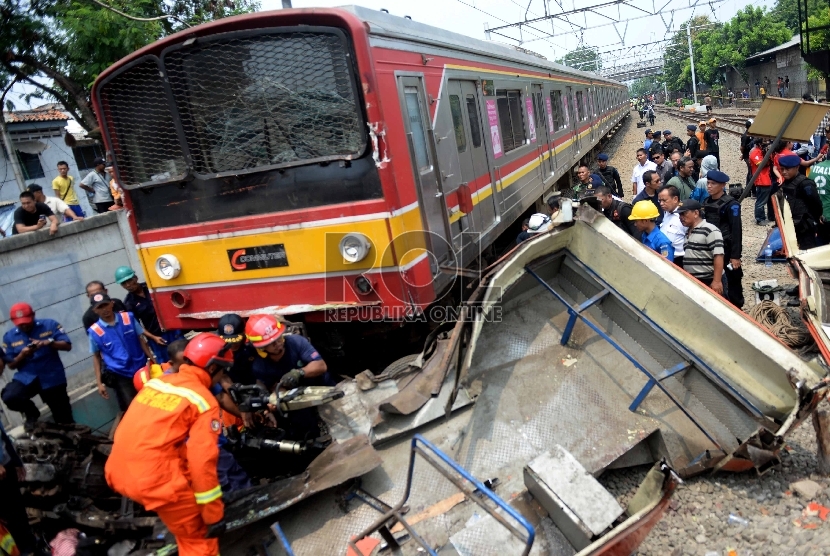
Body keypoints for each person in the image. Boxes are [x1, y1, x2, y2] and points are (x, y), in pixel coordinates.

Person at [105, 333, 231, 556]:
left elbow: (158, 437)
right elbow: (202, 461)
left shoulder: (159, 383)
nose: (223, 376)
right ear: (212, 368)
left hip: (118, 471)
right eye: (223, 370)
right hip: (154, 481)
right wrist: (212, 514)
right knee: (198, 539)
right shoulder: (203, 401)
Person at [1, 303, 74, 428]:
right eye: (20, 323)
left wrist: (48, 342)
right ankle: (31, 413)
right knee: (10, 396)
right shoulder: (9, 336)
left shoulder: (49, 325)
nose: (24, 325)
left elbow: (67, 345)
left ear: (33, 315)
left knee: (64, 420)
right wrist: (22, 355)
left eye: (26, 321)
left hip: (52, 377)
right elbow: (11, 365)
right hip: (27, 377)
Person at [88, 293, 155, 412]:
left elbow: (140, 339)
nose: (104, 309)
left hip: (141, 367)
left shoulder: (128, 317)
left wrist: (152, 360)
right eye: (100, 307)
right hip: (121, 373)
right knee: (133, 406)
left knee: (152, 398)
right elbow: (96, 357)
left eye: (106, 305)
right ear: (95, 310)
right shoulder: (94, 331)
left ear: (112, 304)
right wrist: (99, 383)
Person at [246, 314, 334, 392]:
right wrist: (279, 397)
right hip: (298, 399)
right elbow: (272, 386)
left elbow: (321, 366)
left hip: (324, 388)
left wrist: (299, 373)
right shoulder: (259, 366)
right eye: (271, 343)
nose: (277, 344)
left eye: (278, 338)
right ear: (261, 347)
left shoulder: (296, 342)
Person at [116, 266, 183, 363]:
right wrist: (153, 337)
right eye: (124, 283)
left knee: (184, 355)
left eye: (129, 281)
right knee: (167, 364)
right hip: (157, 338)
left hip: (173, 330)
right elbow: (136, 325)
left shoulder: (151, 287)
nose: (128, 285)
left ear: (135, 278)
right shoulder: (129, 303)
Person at [703, 170, 744, 308]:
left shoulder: (731, 205)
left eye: (713, 183)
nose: (709, 186)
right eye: (708, 183)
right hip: (711, 249)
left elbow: (736, 230)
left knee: (733, 281)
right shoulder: (706, 202)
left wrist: (735, 256)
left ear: (722, 185)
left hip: (727, 248)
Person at [0, 419, 38, 556]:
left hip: (6, 464)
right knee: (9, 517)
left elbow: (2, 435)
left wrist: (15, 460)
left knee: (17, 511)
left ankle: (30, 547)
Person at [679, 200, 726, 297]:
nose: (681, 217)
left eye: (684, 213)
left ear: (696, 213)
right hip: (694, 280)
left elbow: (718, 255)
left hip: (709, 279)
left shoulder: (710, 230)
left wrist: (716, 281)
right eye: (680, 214)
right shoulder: (688, 232)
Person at [779, 154, 822, 250]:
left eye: (787, 169)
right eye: (782, 169)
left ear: (797, 168)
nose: (784, 172)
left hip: (804, 227)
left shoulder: (805, 184)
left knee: (808, 252)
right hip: (790, 226)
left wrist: (814, 220)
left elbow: (816, 204)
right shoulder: (786, 183)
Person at [218, 314, 257, 386]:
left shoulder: (252, 349)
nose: (232, 344)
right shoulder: (218, 352)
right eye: (228, 342)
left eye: (236, 341)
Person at [658, 186, 687, 267]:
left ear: (675, 199)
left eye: (664, 200)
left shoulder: (684, 215)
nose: (661, 204)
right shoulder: (666, 212)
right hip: (665, 257)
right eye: (659, 200)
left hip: (679, 260)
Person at [749, 140, 775, 225]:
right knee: (761, 201)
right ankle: (759, 219)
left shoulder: (761, 151)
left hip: (766, 179)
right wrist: (767, 154)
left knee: (764, 200)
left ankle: (766, 217)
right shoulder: (755, 153)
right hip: (762, 180)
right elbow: (761, 164)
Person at [740, 119, 754, 184]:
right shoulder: (745, 136)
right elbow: (742, 147)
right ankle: (748, 188)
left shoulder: (751, 134)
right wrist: (743, 154)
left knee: (751, 171)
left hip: (750, 155)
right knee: (751, 171)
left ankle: (749, 187)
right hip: (747, 156)